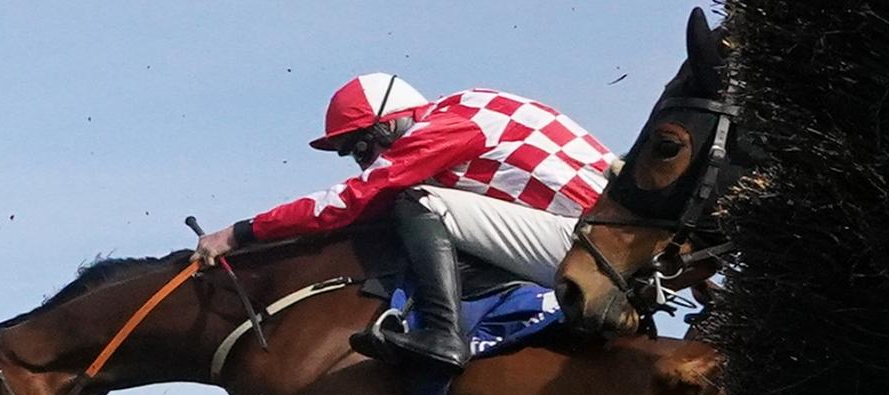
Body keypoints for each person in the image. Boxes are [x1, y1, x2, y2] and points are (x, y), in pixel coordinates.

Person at [193, 73, 616, 372]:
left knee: (418, 202)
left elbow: (352, 199)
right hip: (608, 234)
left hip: (595, 250)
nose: (365, 162)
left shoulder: (443, 128)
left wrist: (239, 232)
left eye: (361, 148)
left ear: (391, 123)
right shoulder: (470, 105)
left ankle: (443, 335)